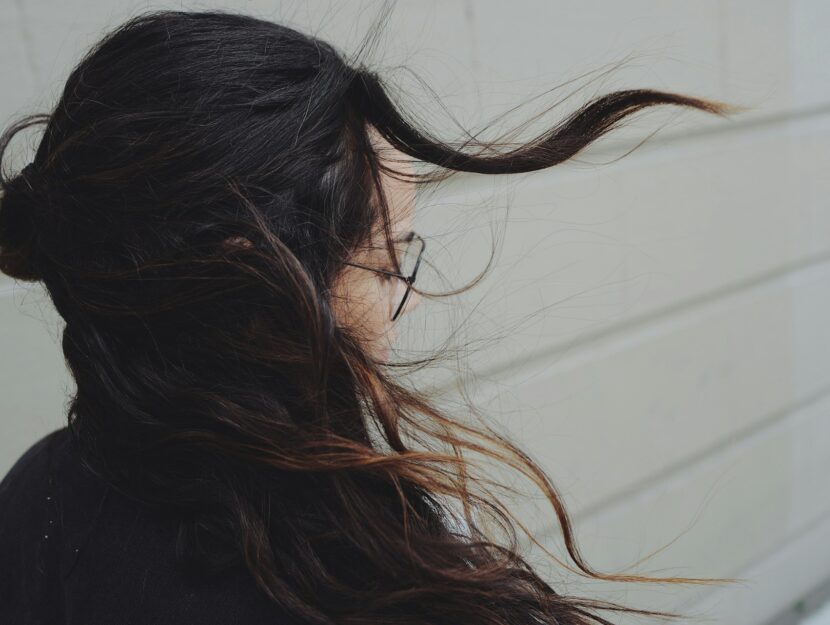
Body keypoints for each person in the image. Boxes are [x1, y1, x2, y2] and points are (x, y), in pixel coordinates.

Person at [0, 9, 739, 625]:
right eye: (389, 261)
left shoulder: (36, 493)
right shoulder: (364, 586)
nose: (407, 295)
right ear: (257, 288)